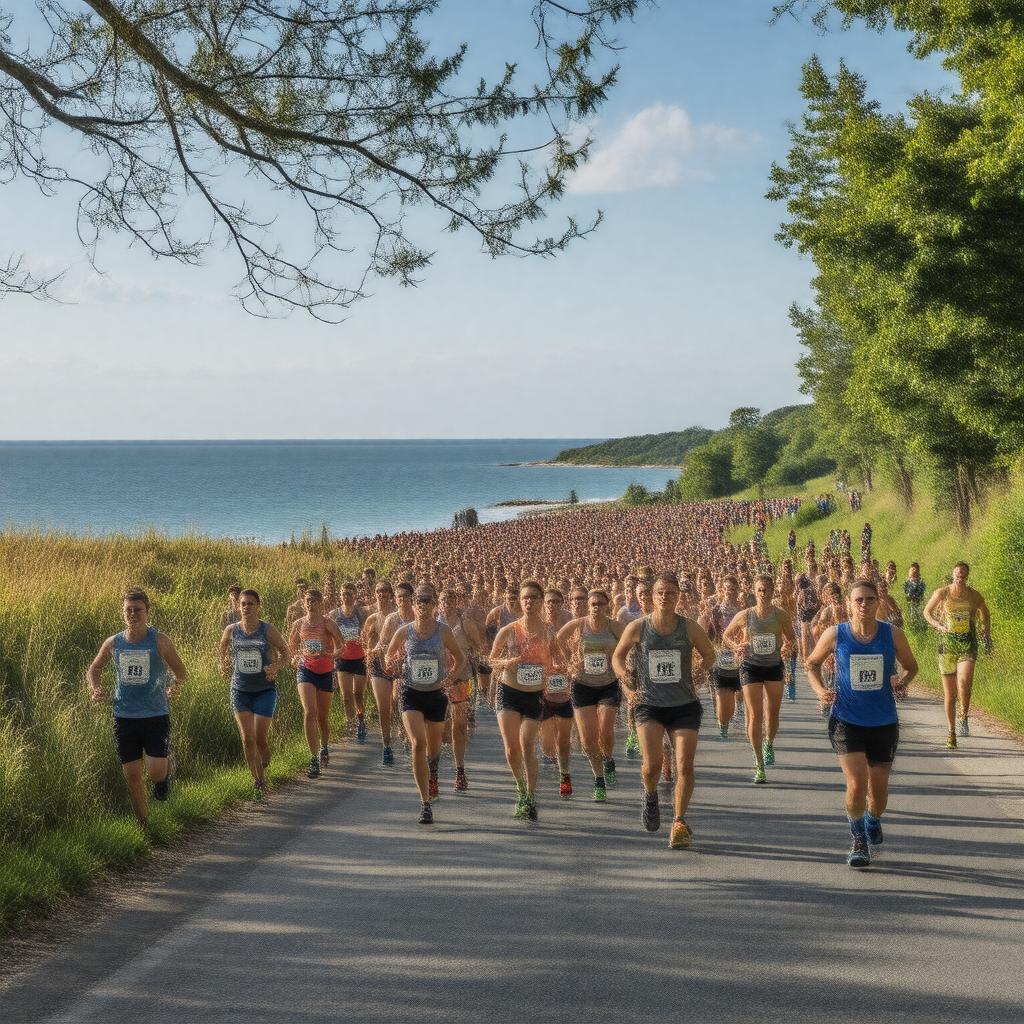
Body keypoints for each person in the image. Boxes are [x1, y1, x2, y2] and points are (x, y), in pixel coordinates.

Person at [805, 579, 918, 867]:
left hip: (883, 721)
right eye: (858, 600)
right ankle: (857, 840)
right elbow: (812, 664)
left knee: (878, 793)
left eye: (869, 599)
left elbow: (912, 666)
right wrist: (821, 691)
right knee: (856, 783)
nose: (864, 605)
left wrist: (901, 683)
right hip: (846, 719)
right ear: (848, 605)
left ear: (878, 603)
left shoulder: (893, 635)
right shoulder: (836, 634)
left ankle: (872, 818)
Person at [612, 572, 715, 849]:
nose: (664, 597)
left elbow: (710, 654)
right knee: (651, 766)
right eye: (660, 593)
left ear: (677, 596)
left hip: (684, 705)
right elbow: (617, 657)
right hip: (649, 705)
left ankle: (679, 821)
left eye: (670, 593)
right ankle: (650, 794)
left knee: (685, 766)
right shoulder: (638, 627)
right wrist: (626, 681)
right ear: (652, 596)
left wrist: (700, 673)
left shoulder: (689, 627)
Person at [87, 588, 187, 827]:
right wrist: (95, 689)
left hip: (155, 714)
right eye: (128, 610)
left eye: (138, 610)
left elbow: (181, 672)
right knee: (132, 777)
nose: (133, 614)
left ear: (147, 612)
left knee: (154, 773)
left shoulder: (159, 640)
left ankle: (164, 775)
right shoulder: (114, 642)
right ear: (123, 613)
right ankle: (144, 824)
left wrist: (175, 687)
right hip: (124, 716)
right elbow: (94, 669)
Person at [385, 586, 466, 824]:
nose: (422, 606)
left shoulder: (443, 631)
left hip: (436, 694)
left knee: (433, 748)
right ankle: (425, 804)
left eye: (427, 602)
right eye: (418, 602)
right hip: (411, 693)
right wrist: (394, 664)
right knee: (418, 744)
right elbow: (389, 657)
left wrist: (450, 677)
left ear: (433, 606)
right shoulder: (404, 631)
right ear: (413, 605)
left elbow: (460, 658)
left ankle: (433, 771)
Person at [489, 580, 555, 821]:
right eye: (525, 598)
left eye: (534, 598)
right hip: (509, 691)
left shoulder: (548, 632)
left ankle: (531, 794)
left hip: (535, 695)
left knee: (527, 744)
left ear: (540, 601)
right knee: (511, 748)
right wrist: (506, 663)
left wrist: (555, 671)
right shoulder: (509, 630)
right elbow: (491, 660)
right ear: (521, 601)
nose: (529, 602)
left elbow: (559, 660)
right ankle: (520, 788)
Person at [722, 574, 797, 784]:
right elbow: (726, 635)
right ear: (754, 592)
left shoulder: (781, 615)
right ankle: (759, 764)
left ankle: (769, 743)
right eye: (759, 590)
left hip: (773, 666)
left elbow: (791, 638)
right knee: (755, 715)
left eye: (766, 590)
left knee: (772, 713)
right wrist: (737, 646)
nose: (763, 594)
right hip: (750, 666)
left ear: (773, 592)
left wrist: (785, 647)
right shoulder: (745, 615)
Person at [218, 589, 289, 799]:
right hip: (240, 690)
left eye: (250, 603)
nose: (246, 607)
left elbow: (286, 653)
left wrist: (275, 666)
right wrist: (221, 665)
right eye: (243, 604)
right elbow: (221, 648)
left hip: (264, 691)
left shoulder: (267, 630)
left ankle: (265, 755)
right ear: (238, 607)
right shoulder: (231, 630)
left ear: (258, 606)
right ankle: (258, 782)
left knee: (260, 739)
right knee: (247, 739)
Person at [558, 588, 623, 801]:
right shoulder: (578, 625)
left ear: (607, 606)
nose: (596, 608)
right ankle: (598, 778)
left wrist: (622, 664)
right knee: (587, 740)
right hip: (582, 685)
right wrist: (569, 663)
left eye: (600, 604)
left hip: (608, 684)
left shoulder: (614, 627)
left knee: (605, 732)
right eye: (593, 604)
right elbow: (556, 641)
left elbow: (629, 646)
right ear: (588, 606)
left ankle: (609, 758)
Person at [923, 562, 992, 748]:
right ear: (953, 575)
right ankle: (951, 732)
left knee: (964, 682)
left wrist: (986, 633)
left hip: (968, 643)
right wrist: (938, 625)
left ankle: (963, 716)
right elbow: (927, 612)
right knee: (950, 694)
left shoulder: (974, 595)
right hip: (948, 645)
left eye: (963, 576)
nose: (959, 579)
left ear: (967, 577)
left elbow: (985, 612)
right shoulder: (942, 593)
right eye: (957, 576)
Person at [288, 588, 343, 778]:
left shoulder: (328, 624)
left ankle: (324, 747)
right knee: (309, 712)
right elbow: (291, 648)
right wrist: (295, 658)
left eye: (314, 600)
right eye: (307, 600)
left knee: (322, 717)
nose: (310, 603)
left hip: (326, 671)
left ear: (321, 603)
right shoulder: (298, 624)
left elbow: (341, 646)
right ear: (304, 603)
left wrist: (330, 654)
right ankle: (313, 759)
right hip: (306, 671)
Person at [438, 587, 485, 792]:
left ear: (456, 601)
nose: (447, 602)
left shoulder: (465, 623)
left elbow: (479, 646)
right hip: (437, 680)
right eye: (443, 598)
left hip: (461, 678)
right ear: (438, 602)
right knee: (441, 728)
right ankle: (434, 769)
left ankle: (460, 770)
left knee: (459, 726)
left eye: (450, 598)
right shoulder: (433, 622)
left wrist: (467, 655)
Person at [540, 587, 575, 797]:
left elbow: (576, 648)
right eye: (549, 602)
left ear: (562, 603)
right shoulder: (537, 623)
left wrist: (569, 666)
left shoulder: (569, 621)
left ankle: (564, 770)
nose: (552, 605)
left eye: (556, 602)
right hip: (542, 680)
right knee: (546, 728)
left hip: (565, 678)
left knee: (563, 730)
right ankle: (549, 754)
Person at [700, 575, 743, 740]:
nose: (730, 592)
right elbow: (708, 633)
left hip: (738, 654)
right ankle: (723, 723)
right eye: (727, 589)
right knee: (721, 691)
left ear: (737, 590)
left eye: (733, 589)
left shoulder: (742, 610)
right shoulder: (715, 611)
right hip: (720, 654)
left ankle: (732, 714)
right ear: (721, 590)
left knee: (735, 691)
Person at [362, 580, 398, 766]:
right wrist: (368, 663)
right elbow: (366, 644)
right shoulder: (372, 619)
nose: (381, 594)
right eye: (378, 591)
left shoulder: (397, 616)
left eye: (384, 590)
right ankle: (386, 744)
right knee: (383, 707)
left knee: (396, 700)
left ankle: (404, 731)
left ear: (390, 594)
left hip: (398, 666)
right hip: (378, 666)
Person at [331, 582, 369, 742]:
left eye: (349, 593)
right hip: (342, 659)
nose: (346, 596)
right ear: (340, 595)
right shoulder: (334, 614)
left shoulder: (361, 613)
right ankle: (351, 723)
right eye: (343, 593)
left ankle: (361, 719)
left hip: (360, 658)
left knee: (358, 694)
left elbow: (368, 632)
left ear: (355, 595)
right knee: (346, 696)